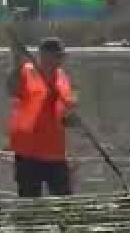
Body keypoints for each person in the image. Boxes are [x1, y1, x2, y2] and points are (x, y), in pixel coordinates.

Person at [8, 37, 78, 198]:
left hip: (56, 153)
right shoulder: (27, 72)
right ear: (42, 56)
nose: (58, 61)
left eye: (61, 57)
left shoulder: (63, 77)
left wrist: (71, 117)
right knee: (30, 203)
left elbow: (68, 108)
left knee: (64, 200)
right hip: (29, 154)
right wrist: (16, 60)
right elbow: (12, 88)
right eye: (55, 56)